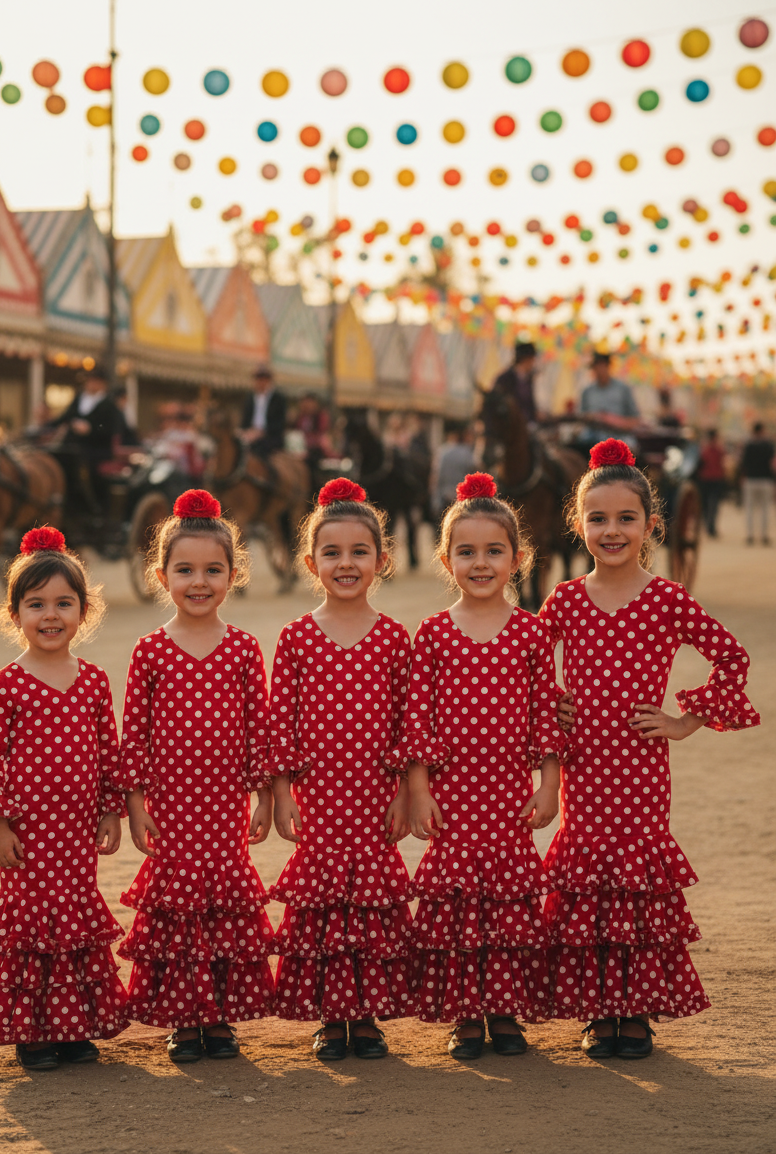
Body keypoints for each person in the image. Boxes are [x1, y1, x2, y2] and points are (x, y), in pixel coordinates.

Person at [540, 438, 759, 1059]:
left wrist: (686, 719)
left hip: (640, 768)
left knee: (635, 876)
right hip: (584, 765)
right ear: (578, 524)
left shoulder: (666, 598)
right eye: (598, 518)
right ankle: (598, 1006)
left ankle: (635, 1009)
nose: (612, 530)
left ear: (650, 525)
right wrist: (553, 705)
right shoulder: (565, 600)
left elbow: (731, 656)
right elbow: (528, 666)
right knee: (589, 874)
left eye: (625, 518)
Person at [393, 473, 564, 1059]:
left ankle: (505, 1009)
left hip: (509, 794)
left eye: (494, 552)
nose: (481, 563)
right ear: (446, 560)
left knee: (509, 900)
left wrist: (550, 785)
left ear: (518, 559)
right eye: (467, 552)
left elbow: (546, 716)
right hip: (455, 794)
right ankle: (466, 1013)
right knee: (458, 904)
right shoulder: (433, 635)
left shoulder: (533, 634)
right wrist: (418, 789)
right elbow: (416, 721)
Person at [0, 527, 127, 1071]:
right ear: (14, 613)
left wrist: (109, 812)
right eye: (36, 605)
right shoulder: (7, 684)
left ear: (83, 610)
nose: (50, 616)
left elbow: (108, 751)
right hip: (28, 833)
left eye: (63, 604)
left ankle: (74, 1026)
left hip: (76, 830)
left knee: (74, 914)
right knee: (31, 918)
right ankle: (33, 1031)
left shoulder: (94, 681)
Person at [115, 489, 276, 1063]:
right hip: (170, 808)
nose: (199, 581)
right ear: (161, 576)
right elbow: (132, 736)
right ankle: (184, 1017)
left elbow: (261, 728)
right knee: (177, 902)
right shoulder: (150, 650)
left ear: (234, 574)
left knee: (222, 902)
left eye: (212, 569)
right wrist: (135, 805)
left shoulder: (242, 648)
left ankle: (220, 1015)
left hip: (225, 805)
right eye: (185, 570)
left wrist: (264, 798)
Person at [267, 478, 412, 1061]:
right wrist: (282, 795)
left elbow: (409, 726)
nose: (346, 563)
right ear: (311, 562)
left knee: (372, 901)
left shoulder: (395, 640)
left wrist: (405, 793)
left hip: (376, 797)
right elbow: (282, 725)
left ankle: (368, 1015)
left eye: (359, 552)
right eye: (332, 553)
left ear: (382, 559)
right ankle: (331, 1016)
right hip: (320, 798)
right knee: (324, 899)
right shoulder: (296, 638)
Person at [48, 368, 122, 517]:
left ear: (103, 384)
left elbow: (110, 429)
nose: (90, 384)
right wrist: (44, 427)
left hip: (96, 449)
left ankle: (94, 509)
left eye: (94, 381)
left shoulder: (109, 405)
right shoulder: (79, 399)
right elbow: (64, 418)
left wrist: (90, 430)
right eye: (89, 381)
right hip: (72, 447)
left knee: (88, 471)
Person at [576, 352, 640, 453]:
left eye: (601, 366)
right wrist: (591, 418)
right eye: (596, 367)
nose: (598, 370)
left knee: (630, 448)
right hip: (593, 435)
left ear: (608, 367)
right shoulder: (587, 392)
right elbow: (581, 418)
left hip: (619, 435)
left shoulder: (623, 389)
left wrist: (613, 421)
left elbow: (635, 420)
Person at [240, 364, 287, 460]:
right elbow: (245, 420)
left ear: (269, 381)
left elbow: (280, 423)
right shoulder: (250, 398)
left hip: (270, 436)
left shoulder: (278, 399)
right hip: (250, 434)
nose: (260, 382)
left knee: (258, 449)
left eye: (264, 379)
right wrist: (244, 431)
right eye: (258, 379)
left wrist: (260, 432)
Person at [738, 422, 775, 545]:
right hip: (765, 480)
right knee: (765, 509)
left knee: (750, 509)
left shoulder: (748, 445)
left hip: (751, 479)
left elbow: (743, 463)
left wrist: (741, 477)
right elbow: (772, 464)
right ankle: (764, 535)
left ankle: (750, 535)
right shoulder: (768, 445)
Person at [490, 341, 539, 427]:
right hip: (509, 427)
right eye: (532, 360)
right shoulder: (504, 379)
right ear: (526, 359)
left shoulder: (528, 378)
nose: (533, 363)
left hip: (528, 425)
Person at [430, 423, 475, 516]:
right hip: (463, 499)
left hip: (445, 497)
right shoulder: (468, 453)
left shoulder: (442, 452)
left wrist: (435, 499)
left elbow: (437, 477)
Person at [697, 429, 726, 538]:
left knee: (705, 504)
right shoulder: (719, 450)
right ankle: (711, 526)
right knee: (714, 504)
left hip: (705, 479)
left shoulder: (704, 450)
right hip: (716, 479)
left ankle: (708, 525)